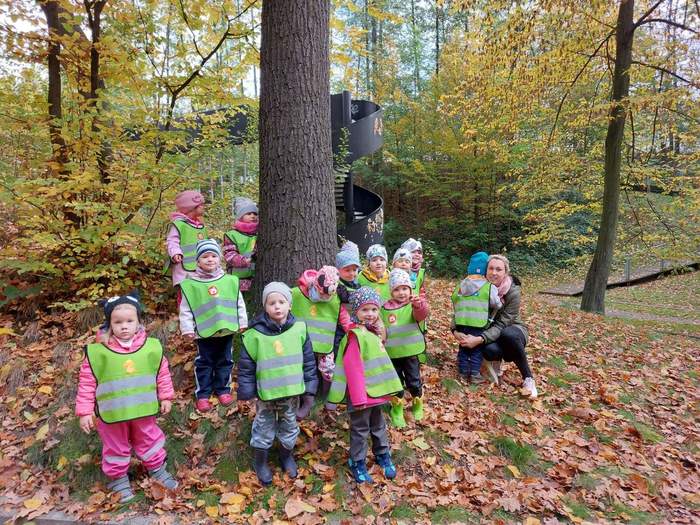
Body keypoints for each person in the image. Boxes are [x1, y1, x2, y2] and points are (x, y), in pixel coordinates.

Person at [75, 291, 178, 503]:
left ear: (138, 322)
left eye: (129, 321)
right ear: (109, 324)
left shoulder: (151, 347)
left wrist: (166, 396)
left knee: (149, 440)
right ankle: (118, 479)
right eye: (118, 322)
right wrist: (84, 412)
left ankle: (158, 469)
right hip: (112, 415)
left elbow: (162, 373)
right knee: (115, 446)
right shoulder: (98, 352)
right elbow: (87, 383)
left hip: (143, 411)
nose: (124, 326)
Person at [237, 282, 318, 485]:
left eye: (282, 302)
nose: (277, 307)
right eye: (272, 303)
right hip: (266, 395)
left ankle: (285, 456)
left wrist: (309, 392)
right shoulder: (254, 335)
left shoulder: (299, 329)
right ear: (265, 306)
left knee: (289, 426)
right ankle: (261, 462)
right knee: (263, 428)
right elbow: (246, 367)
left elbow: (309, 363)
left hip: (291, 394)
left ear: (289, 305)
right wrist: (247, 393)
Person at [327, 287, 403, 484]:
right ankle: (357, 461)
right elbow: (353, 368)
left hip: (376, 393)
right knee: (360, 429)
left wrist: (390, 389)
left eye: (374, 309)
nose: (370, 314)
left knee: (379, 425)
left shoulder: (371, 333)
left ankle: (382, 455)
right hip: (360, 395)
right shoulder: (355, 336)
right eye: (365, 310)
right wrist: (359, 398)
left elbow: (380, 363)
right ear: (356, 311)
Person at [179, 239, 248, 412]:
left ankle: (223, 390)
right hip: (204, 333)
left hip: (226, 331)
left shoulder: (230, 281)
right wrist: (187, 329)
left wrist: (242, 322)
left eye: (213, 256)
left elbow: (238, 303)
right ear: (198, 261)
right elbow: (186, 309)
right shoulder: (191, 285)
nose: (210, 259)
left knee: (225, 361)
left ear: (219, 259)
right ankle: (203, 394)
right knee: (204, 362)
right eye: (205, 256)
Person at [477, 255, 537, 398]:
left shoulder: (513, 291)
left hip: (513, 329)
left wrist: (480, 338)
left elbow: (502, 324)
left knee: (508, 335)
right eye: (491, 268)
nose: (494, 273)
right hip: (491, 331)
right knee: (489, 351)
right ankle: (495, 362)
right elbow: (463, 308)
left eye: (499, 269)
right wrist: (456, 330)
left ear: (505, 272)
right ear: (486, 270)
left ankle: (528, 378)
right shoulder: (478, 286)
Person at [290, 266, 351, 405]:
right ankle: (302, 398)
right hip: (301, 344)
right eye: (323, 294)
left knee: (329, 370)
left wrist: (351, 330)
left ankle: (328, 397)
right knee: (300, 369)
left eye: (329, 296)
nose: (325, 298)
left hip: (325, 345)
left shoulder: (335, 298)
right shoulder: (296, 294)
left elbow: (344, 317)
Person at [381, 269, 429, 427]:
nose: (401, 293)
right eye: (397, 289)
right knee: (396, 383)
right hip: (392, 355)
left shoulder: (413, 305)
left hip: (410, 353)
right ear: (391, 291)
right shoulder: (384, 308)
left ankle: (417, 404)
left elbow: (422, 315)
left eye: (404, 288)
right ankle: (397, 409)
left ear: (410, 289)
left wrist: (419, 305)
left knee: (414, 381)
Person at [451, 252, 502, 383]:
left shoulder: (460, 285)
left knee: (463, 347)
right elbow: (496, 303)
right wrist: (500, 303)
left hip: (461, 322)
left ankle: (462, 372)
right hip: (478, 323)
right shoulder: (489, 287)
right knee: (476, 349)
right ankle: (474, 374)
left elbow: (454, 298)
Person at [165, 190, 208, 289]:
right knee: (185, 292)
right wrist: (175, 252)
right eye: (201, 205)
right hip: (183, 269)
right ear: (191, 207)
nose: (203, 207)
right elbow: (172, 241)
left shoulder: (201, 225)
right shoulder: (180, 224)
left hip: (201, 268)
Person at [223, 197, 258, 294]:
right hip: (238, 280)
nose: (253, 216)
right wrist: (246, 260)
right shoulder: (232, 235)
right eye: (248, 213)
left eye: (255, 213)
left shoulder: (260, 233)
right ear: (240, 216)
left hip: (256, 278)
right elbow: (229, 255)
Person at [336, 241, 362, 306]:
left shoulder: (357, 284)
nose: (351, 273)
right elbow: (345, 298)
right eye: (347, 270)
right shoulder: (338, 285)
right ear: (338, 270)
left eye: (354, 270)